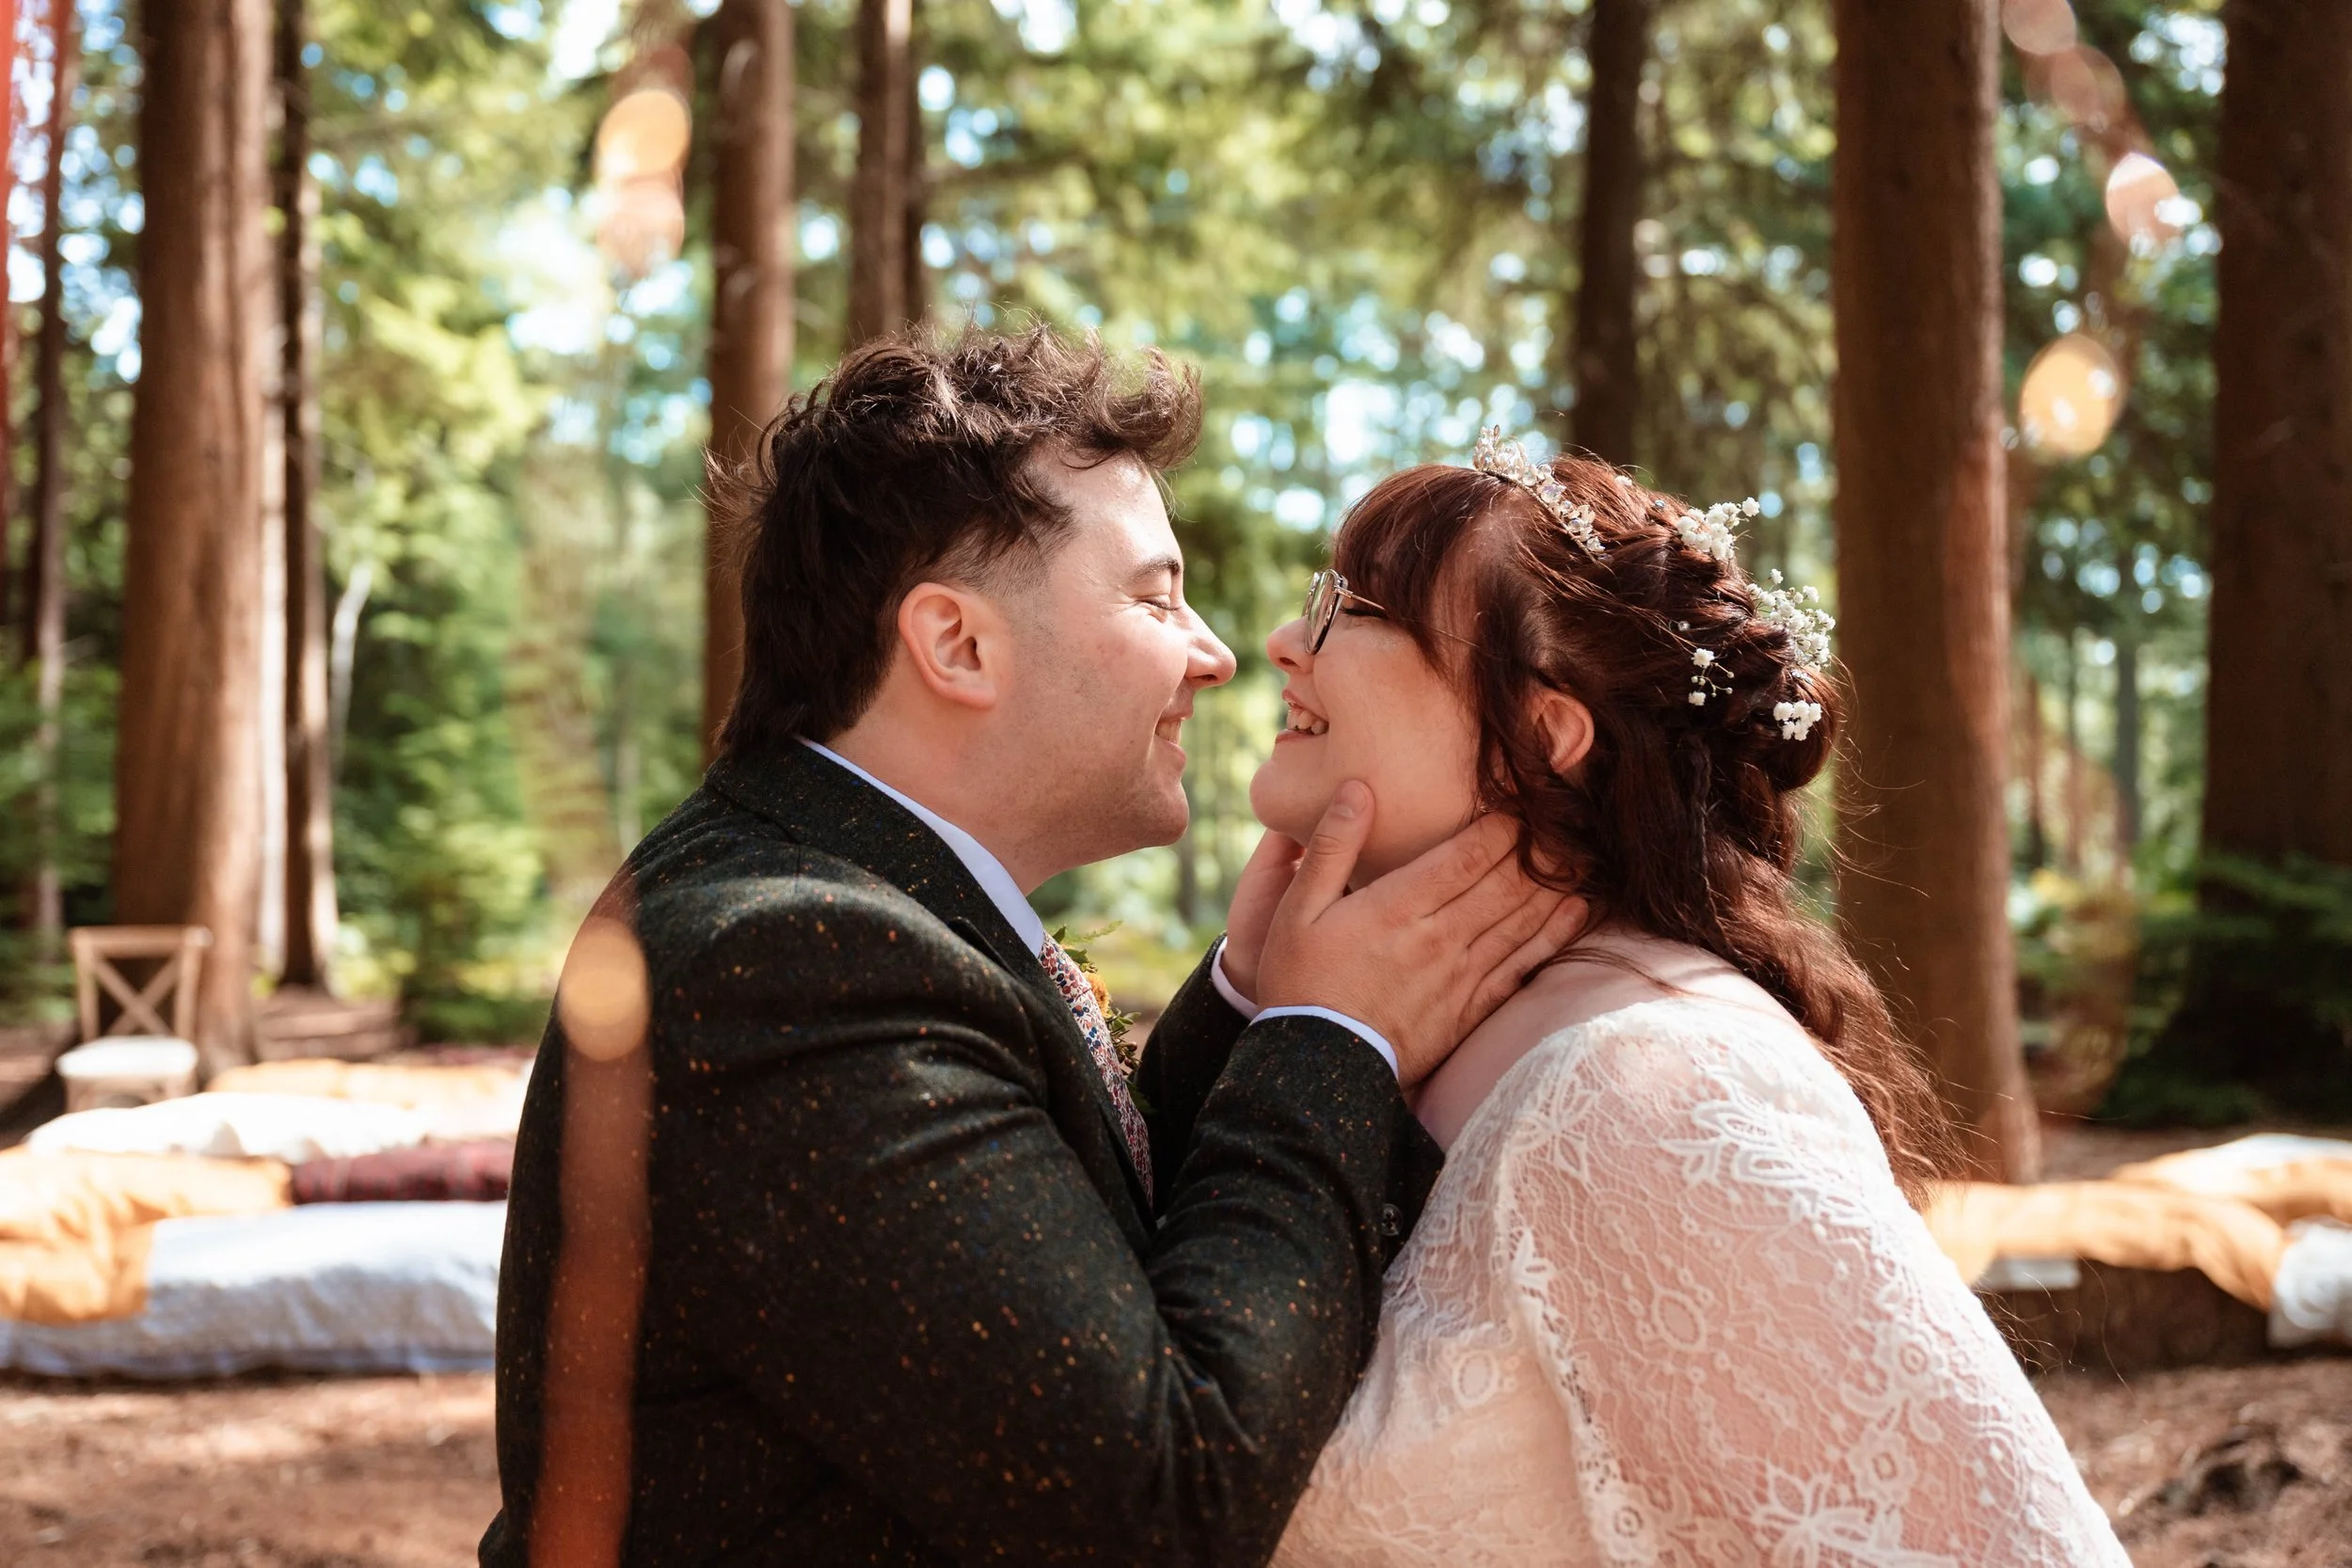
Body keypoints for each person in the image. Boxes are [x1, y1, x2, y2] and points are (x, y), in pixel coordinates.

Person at [479, 329, 1585, 1566]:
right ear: (957, 644)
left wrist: (1248, 996)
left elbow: (1060, 1262)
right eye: (1157, 595)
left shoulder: (833, 888)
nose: (1217, 654)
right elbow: (1162, 1498)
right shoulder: (790, 959)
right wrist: (1332, 1039)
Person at [1257, 437, 2130, 1565]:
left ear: (1541, 733)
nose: (1284, 641)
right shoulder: (1422, 1031)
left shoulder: (1648, 1089)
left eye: (1355, 607)